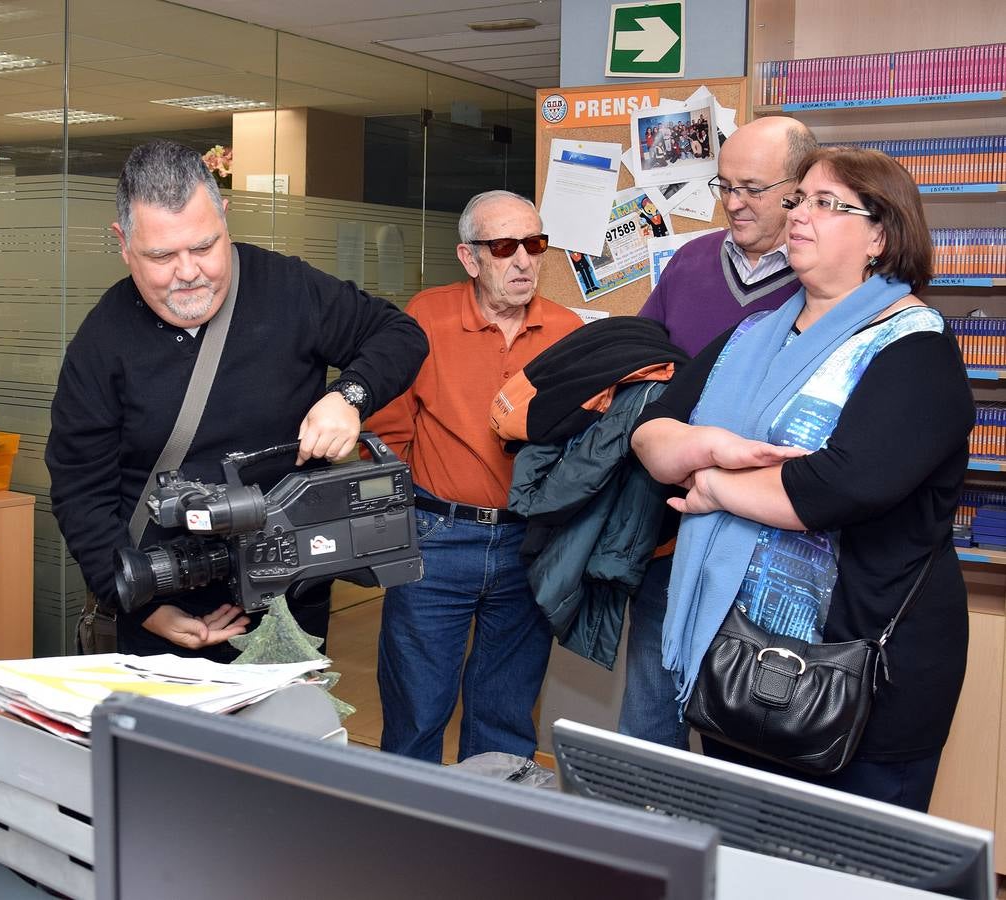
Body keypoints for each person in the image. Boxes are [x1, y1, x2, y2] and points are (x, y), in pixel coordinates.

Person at [630, 147, 973, 811]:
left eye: (827, 203)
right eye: (800, 200)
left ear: (880, 235)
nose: (800, 216)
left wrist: (715, 487)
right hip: (735, 662)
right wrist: (716, 447)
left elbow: (837, 488)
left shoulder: (916, 347)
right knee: (743, 856)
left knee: (855, 871)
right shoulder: (750, 336)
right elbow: (651, 435)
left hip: (864, 671)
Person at [45, 140, 427, 661]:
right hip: (164, 605)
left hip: (291, 596)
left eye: (205, 246)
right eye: (161, 255)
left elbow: (399, 333)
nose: (188, 272)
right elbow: (80, 490)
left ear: (225, 216)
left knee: (285, 739)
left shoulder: (287, 288)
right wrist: (142, 606)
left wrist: (348, 396)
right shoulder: (102, 342)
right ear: (123, 242)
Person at [621, 116, 817, 750]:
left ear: (802, 186)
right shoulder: (690, 260)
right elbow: (644, 369)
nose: (733, 203)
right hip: (671, 539)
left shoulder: (826, 283)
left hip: (775, 553)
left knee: (755, 733)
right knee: (652, 716)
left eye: (753, 188)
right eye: (723, 184)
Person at [368, 190, 582, 763]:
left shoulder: (566, 329)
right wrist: (400, 525)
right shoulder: (427, 316)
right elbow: (387, 436)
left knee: (506, 716)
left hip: (528, 545)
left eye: (534, 245)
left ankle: (488, 842)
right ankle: (407, 844)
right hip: (436, 539)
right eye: (505, 247)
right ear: (469, 258)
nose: (523, 262)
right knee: (416, 710)